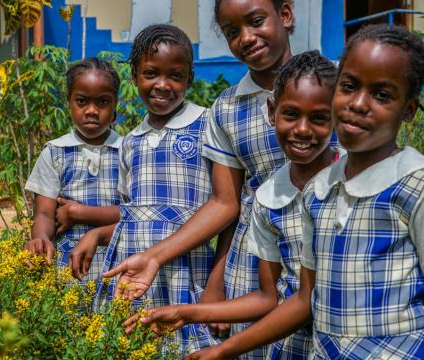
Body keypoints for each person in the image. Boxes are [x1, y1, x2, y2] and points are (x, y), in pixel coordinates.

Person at [142, 23, 424, 359]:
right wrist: (200, 325)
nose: (359, 104)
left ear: (408, 110)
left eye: (381, 94)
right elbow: (304, 299)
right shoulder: (319, 193)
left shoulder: (413, 184)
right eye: (349, 87)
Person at [103, 1, 295, 357]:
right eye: (232, 31)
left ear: (285, 15)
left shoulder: (335, 83)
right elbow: (227, 203)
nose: (246, 38)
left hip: (326, 249)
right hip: (252, 261)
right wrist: (160, 259)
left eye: (256, 21)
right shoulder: (227, 108)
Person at [131, 51, 340, 360]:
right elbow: (272, 298)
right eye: (291, 115)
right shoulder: (268, 200)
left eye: (319, 118)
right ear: (272, 112)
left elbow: (307, 298)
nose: (303, 129)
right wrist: (189, 313)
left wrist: (222, 349)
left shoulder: (353, 185)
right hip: (293, 345)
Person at [75, 24, 223, 354]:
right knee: (139, 343)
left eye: (175, 75)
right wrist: (97, 234)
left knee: (187, 345)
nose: (162, 85)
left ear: (190, 78)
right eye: (151, 73)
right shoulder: (131, 142)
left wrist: (217, 282)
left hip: (188, 267)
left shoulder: (208, 124)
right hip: (137, 270)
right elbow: (134, 217)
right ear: (134, 77)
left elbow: (227, 205)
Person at [24, 58, 122, 281]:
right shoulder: (55, 152)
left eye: (103, 102)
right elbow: (44, 213)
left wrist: (77, 212)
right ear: (69, 102)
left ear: (115, 104)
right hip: (68, 267)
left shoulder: (129, 151)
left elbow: (134, 212)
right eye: (82, 101)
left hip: (118, 263)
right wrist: (40, 238)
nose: (91, 111)